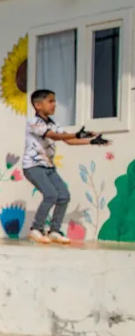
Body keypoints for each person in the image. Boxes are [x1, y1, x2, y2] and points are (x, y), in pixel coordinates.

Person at [23, 89, 107, 244]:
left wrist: (90, 141)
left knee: (63, 196)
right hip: (33, 166)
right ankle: (36, 229)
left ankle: (54, 231)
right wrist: (76, 134)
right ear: (38, 105)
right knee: (50, 195)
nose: (54, 104)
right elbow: (53, 136)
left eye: (54, 101)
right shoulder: (33, 122)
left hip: (48, 167)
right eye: (50, 101)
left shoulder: (53, 124)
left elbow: (67, 140)